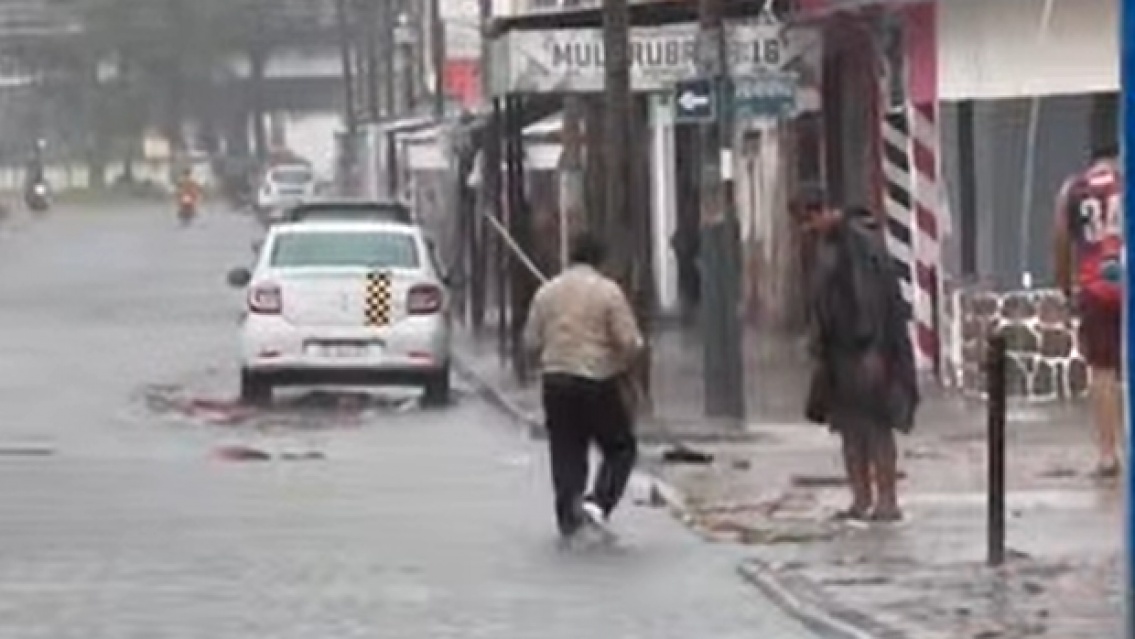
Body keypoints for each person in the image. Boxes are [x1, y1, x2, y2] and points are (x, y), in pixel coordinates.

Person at [797, 187, 918, 523]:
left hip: (868, 349)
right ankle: (861, 499)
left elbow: (875, 301)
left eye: (812, 220)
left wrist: (875, 349)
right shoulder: (827, 247)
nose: (811, 229)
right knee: (850, 430)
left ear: (823, 212)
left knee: (876, 428)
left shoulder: (861, 243)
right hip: (839, 353)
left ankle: (886, 501)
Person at [523, 231, 644, 541]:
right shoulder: (608, 293)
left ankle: (568, 516)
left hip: (556, 381)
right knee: (620, 447)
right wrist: (625, 361)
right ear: (599, 259)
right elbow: (629, 342)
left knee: (566, 450)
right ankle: (597, 502)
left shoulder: (547, 293)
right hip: (596, 381)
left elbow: (531, 341)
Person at [1053, 144, 1124, 479]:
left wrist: (1066, 288)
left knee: (1103, 372)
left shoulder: (1073, 189)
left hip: (1094, 289)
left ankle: (1108, 455)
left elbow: (1061, 240)